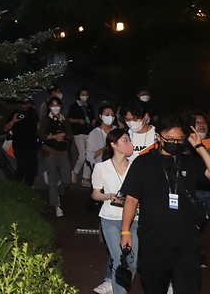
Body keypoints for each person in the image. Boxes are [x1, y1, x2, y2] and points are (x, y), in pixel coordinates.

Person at [120, 115, 210, 294]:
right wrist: (125, 231)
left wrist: (199, 147)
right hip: (154, 241)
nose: (174, 143)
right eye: (169, 139)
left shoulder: (190, 162)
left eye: (179, 140)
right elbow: (131, 199)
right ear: (158, 137)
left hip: (187, 243)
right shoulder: (143, 163)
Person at [91, 128, 138, 294]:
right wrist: (109, 196)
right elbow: (95, 194)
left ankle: (120, 287)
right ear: (114, 144)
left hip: (133, 220)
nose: (129, 144)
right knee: (119, 259)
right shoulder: (101, 167)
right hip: (110, 218)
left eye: (129, 140)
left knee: (132, 262)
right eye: (125, 140)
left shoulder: (135, 167)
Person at [39, 95, 74, 216]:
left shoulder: (64, 119)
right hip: (49, 151)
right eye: (53, 105)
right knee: (52, 179)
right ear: (49, 107)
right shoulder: (46, 119)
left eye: (57, 105)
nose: (55, 107)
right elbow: (41, 135)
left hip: (63, 152)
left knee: (67, 179)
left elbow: (71, 134)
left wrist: (64, 136)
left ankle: (60, 191)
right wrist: (54, 137)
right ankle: (56, 206)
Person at [3, 97, 39, 186]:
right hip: (19, 145)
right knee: (22, 167)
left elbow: (37, 125)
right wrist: (13, 121)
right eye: (23, 103)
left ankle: (28, 187)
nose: (25, 105)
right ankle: (14, 185)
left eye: (27, 103)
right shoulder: (15, 113)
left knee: (32, 169)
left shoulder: (33, 112)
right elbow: (5, 129)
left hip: (32, 145)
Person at [68, 87, 96, 186]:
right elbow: (69, 119)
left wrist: (93, 122)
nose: (85, 96)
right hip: (78, 133)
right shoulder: (74, 106)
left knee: (89, 155)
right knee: (82, 155)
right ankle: (75, 172)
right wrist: (78, 121)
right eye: (83, 94)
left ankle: (85, 178)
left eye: (86, 94)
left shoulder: (89, 106)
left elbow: (93, 118)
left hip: (89, 132)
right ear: (79, 95)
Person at [88, 105, 117, 171]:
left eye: (112, 115)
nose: (110, 117)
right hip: (101, 168)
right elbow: (89, 156)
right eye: (107, 115)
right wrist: (103, 150)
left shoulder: (116, 131)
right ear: (100, 116)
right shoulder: (94, 133)